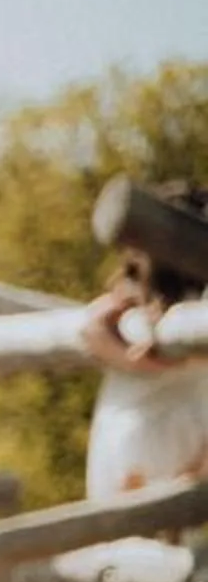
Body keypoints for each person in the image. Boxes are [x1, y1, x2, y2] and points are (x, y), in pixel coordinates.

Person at [78, 180, 208, 500]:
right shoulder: (159, 314)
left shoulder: (136, 309)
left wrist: (135, 361)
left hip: (125, 448)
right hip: (158, 447)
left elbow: (91, 325)